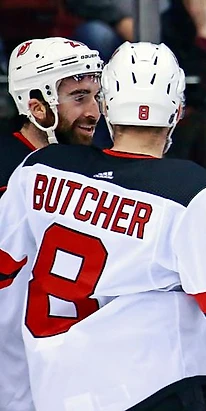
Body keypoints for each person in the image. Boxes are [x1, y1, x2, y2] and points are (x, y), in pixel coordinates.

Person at [0, 41, 206, 411]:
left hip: (53, 392)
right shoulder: (188, 191)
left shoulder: (38, 169)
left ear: (106, 105)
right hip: (151, 393)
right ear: (178, 111)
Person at [0, 37, 104, 411]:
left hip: (82, 377)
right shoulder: (6, 170)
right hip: (15, 378)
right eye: (79, 97)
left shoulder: (99, 167)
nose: (94, 112)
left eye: (96, 96)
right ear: (37, 106)